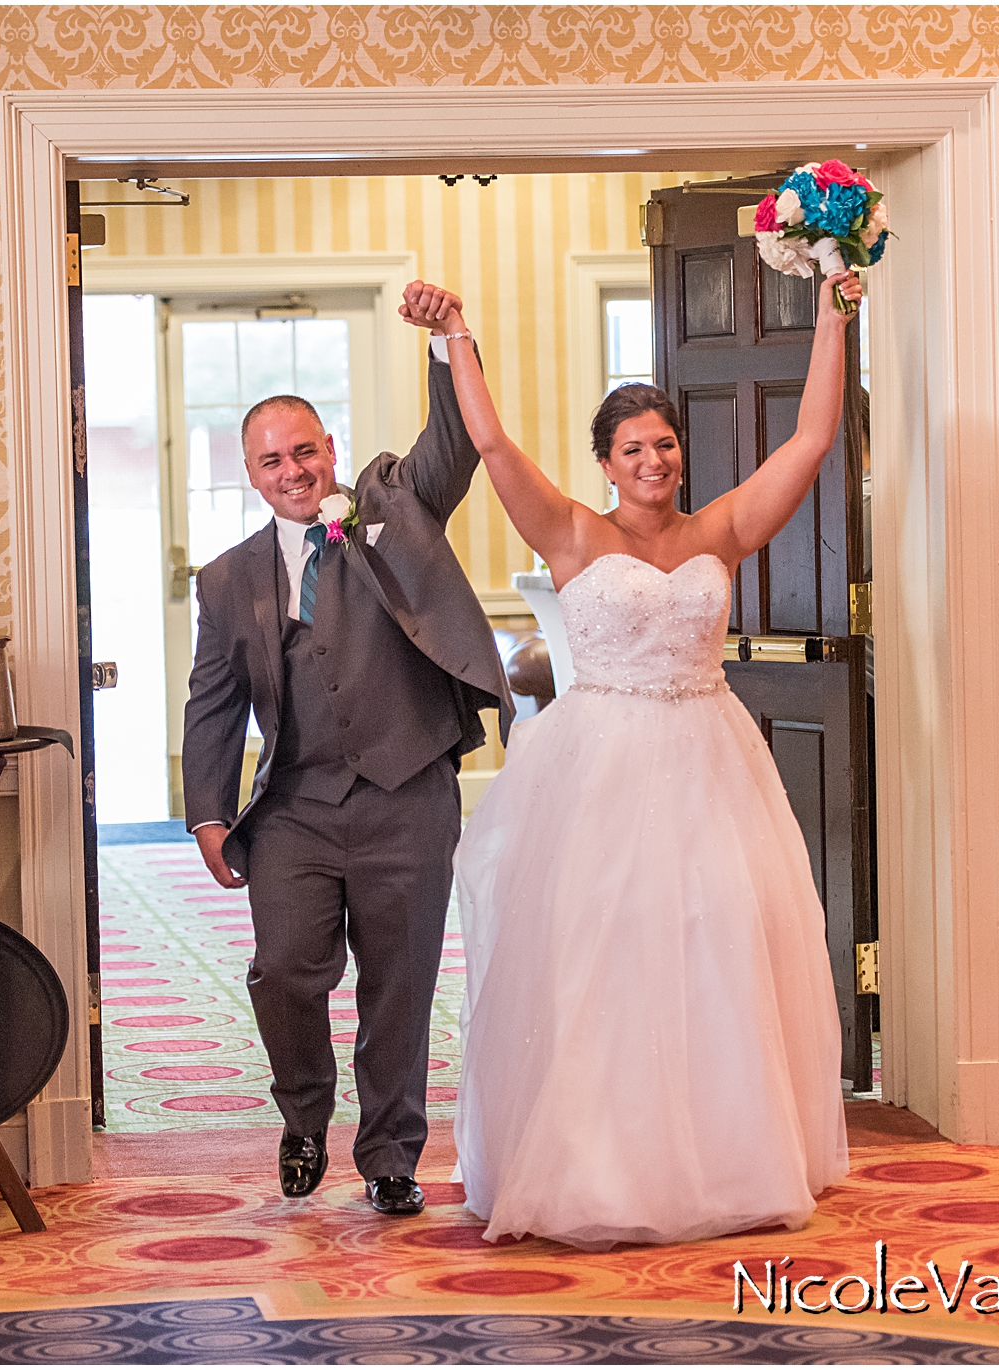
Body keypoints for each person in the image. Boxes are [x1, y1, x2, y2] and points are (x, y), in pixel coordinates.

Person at [404, 267, 862, 1249]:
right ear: (605, 463)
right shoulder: (571, 530)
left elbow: (813, 439)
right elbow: (488, 443)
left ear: (678, 454)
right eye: (630, 447)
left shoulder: (720, 529)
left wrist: (832, 309)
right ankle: (594, 1157)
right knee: (598, 951)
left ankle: (723, 1151)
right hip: (598, 762)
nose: (650, 458)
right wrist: (457, 338)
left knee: (716, 939)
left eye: (662, 443)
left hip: (707, 755)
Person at [179, 282, 512, 1217]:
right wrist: (208, 811)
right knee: (284, 970)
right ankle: (303, 1117)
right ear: (251, 472)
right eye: (271, 459)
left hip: (407, 794)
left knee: (400, 986)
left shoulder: (392, 511)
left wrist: (452, 338)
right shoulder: (229, 579)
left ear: (330, 449)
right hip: (293, 808)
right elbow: (213, 706)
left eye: (305, 450)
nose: (293, 469)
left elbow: (453, 448)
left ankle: (392, 1156)